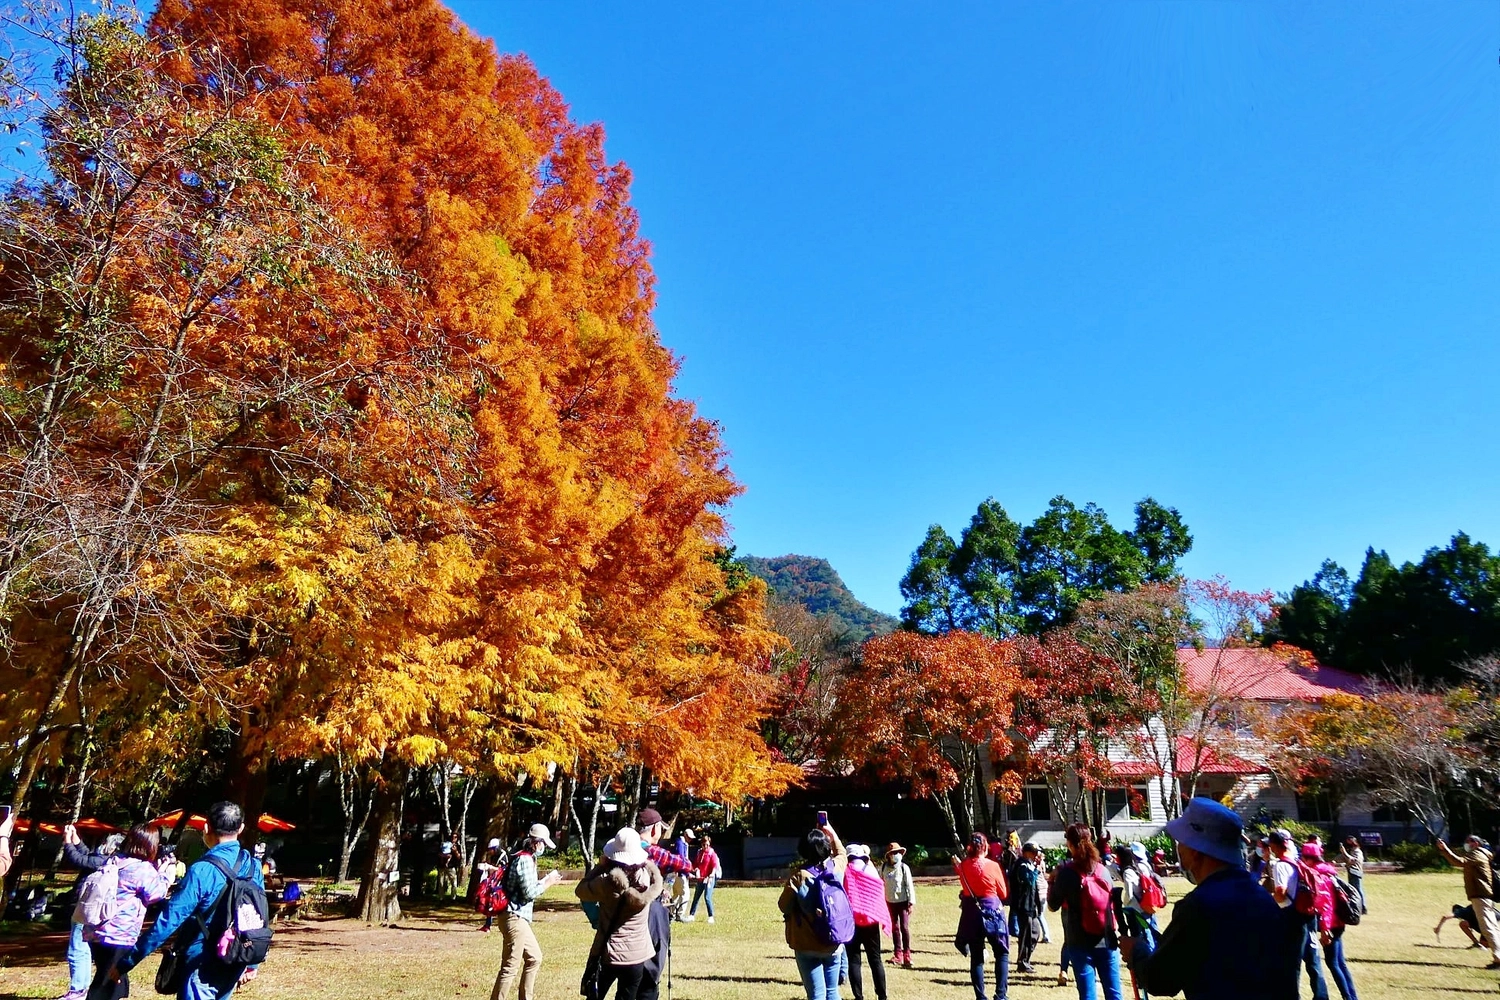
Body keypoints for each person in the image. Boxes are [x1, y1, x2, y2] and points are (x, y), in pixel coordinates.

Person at [1123, 798, 1298, 999]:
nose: (1178, 849)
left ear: (1196, 850)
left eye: (1182, 841)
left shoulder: (1198, 906)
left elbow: (1161, 980)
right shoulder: (1261, 897)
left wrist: (1137, 950)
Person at [116, 801, 263, 1000]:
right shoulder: (253, 865)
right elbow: (257, 916)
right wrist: (251, 962)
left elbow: (168, 921)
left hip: (201, 961)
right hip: (236, 958)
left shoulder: (202, 870)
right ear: (241, 828)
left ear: (206, 828)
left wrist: (127, 962)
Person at [82, 825, 172, 1000]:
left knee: (111, 977)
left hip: (97, 931)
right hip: (119, 934)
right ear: (150, 845)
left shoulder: (115, 860)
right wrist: (166, 873)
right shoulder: (142, 869)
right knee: (108, 983)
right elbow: (157, 893)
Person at [576, 828, 664, 1000]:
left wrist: (599, 866)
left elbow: (581, 890)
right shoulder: (648, 881)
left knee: (594, 995)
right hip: (638, 955)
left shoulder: (607, 883)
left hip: (609, 953)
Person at [1047, 823, 1122, 1000]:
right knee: (1114, 994)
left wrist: (1052, 881)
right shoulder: (1103, 870)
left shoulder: (1067, 873)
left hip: (1079, 941)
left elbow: (1052, 906)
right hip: (1107, 939)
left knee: (1088, 995)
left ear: (1070, 845)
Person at [489, 823, 563, 1000]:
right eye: (544, 844)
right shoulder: (525, 860)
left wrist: (544, 881)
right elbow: (529, 892)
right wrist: (548, 882)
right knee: (510, 967)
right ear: (536, 843)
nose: (544, 848)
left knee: (535, 958)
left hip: (517, 918)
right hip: (514, 917)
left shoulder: (523, 857)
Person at [778, 820, 849, 1000]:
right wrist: (832, 834)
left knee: (816, 994)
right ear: (825, 847)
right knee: (832, 992)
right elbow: (842, 853)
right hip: (834, 941)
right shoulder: (837, 868)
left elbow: (783, 905)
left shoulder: (798, 876)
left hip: (806, 943)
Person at [636, 808, 693, 1000]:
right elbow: (684, 864)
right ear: (653, 830)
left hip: (624, 916)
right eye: (660, 829)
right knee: (650, 971)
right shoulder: (650, 850)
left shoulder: (622, 847)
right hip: (651, 914)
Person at [1267, 828, 1329, 1000]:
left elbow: (1281, 892)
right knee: (1313, 961)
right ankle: (1322, 996)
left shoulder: (1280, 865)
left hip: (1293, 918)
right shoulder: (1298, 862)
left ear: (1273, 845)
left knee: (1291, 962)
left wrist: (1272, 900)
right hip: (1309, 916)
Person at [59, 823, 115, 1000]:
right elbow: (86, 855)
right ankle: (81, 989)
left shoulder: (103, 861)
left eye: (104, 842)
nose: (101, 844)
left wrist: (67, 841)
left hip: (87, 909)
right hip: (91, 909)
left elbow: (78, 859)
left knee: (78, 949)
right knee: (82, 948)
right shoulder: (103, 860)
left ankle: (78, 990)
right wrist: (76, 839)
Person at [953, 831, 1009, 1000]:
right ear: (985, 846)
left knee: (977, 957)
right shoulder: (992, 866)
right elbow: (1004, 893)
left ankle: (980, 996)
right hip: (992, 910)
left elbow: (965, 888)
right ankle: (1000, 994)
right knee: (1001, 953)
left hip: (971, 913)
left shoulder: (962, 866)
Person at [1304, 842, 1359, 1000]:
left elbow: (1326, 905)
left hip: (1332, 925)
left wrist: (1325, 929)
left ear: (1310, 859)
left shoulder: (1319, 876)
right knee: (1340, 963)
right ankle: (1352, 997)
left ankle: (1348, 997)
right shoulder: (1329, 871)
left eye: (1305, 859)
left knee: (1333, 964)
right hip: (1339, 923)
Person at [1437, 835, 1500, 969]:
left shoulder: (1477, 854)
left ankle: (1498, 959)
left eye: (1469, 841)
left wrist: (1444, 849)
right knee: (1492, 928)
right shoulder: (1482, 854)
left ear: (1476, 843)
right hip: (1483, 896)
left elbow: (1459, 862)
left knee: (1488, 928)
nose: (1466, 844)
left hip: (1481, 896)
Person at [1114, 842, 1161, 997]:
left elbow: (1128, 893)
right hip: (1146, 908)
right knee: (1150, 933)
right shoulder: (1140, 867)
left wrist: (1124, 905)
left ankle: (1149, 961)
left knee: (1144, 936)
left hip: (1136, 912)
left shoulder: (1128, 871)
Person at [844, 845, 891, 1000]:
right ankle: (882, 996)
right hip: (871, 923)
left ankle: (858, 997)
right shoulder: (870, 870)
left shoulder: (844, 871)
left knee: (854, 961)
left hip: (851, 923)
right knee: (876, 960)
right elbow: (878, 892)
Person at [1009, 843, 1045, 974]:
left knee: (1035, 932)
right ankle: (1022, 962)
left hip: (1031, 905)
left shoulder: (1028, 863)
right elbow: (1029, 880)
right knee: (1026, 935)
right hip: (1023, 905)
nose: (1036, 854)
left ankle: (1025, 959)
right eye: (1034, 852)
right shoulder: (1021, 865)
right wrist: (1036, 868)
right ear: (1027, 852)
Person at [881, 843, 915, 969]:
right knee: (894, 928)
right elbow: (881, 884)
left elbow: (909, 885)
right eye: (894, 853)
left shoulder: (903, 867)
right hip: (890, 902)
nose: (897, 855)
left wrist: (911, 902)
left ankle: (907, 954)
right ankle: (898, 954)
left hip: (903, 902)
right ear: (889, 855)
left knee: (904, 927)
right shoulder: (884, 868)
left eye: (899, 852)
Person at [686, 833, 721, 923]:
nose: (706, 846)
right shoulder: (699, 852)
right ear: (701, 844)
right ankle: (691, 915)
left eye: (707, 845)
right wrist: (695, 869)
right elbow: (696, 864)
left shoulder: (712, 853)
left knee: (707, 897)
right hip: (701, 878)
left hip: (709, 878)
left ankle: (711, 916)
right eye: (704, 844)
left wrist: (711, 875)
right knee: (696, 897)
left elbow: (715, 865)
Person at [1335, 838, 1365, 910]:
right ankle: (1356, 905)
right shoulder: (1351, 851)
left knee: (1358, 889)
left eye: (1350, 841)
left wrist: (1344, 852)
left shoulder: (1357, 851)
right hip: (1351, 872)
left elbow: (1353, 861)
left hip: (1356, 872)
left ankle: (1363, 907)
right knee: (1353, 889)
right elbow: (1342, 858)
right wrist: (1334, 860)